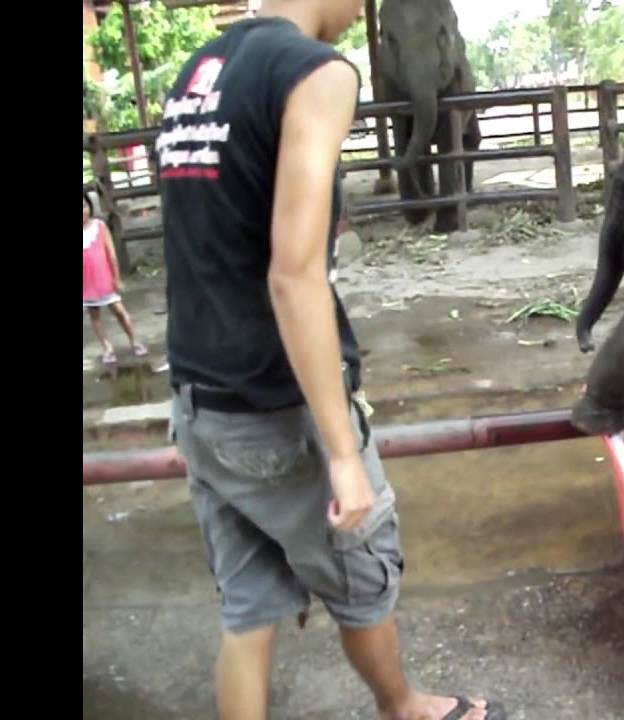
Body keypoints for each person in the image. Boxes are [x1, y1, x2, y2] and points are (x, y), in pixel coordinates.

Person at [155, 2, 505, 719]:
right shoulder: (316, 73)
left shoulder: (199, 73)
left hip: (199, 398)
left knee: (248, 611)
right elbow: (294, 274)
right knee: (361, 578)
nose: (361, 11)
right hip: (277, 407)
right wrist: (342, 454)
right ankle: (404, 706)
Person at [83, 192, 148, 365]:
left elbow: (111, 254)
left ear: (89, 206)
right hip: (86, 283)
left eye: (84, 206)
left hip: (105, 279)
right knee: (94, 315)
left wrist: (116, 278)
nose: (83, 211)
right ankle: (107, 348)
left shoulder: (99, 225)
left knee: (119, 311)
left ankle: (134, 341)